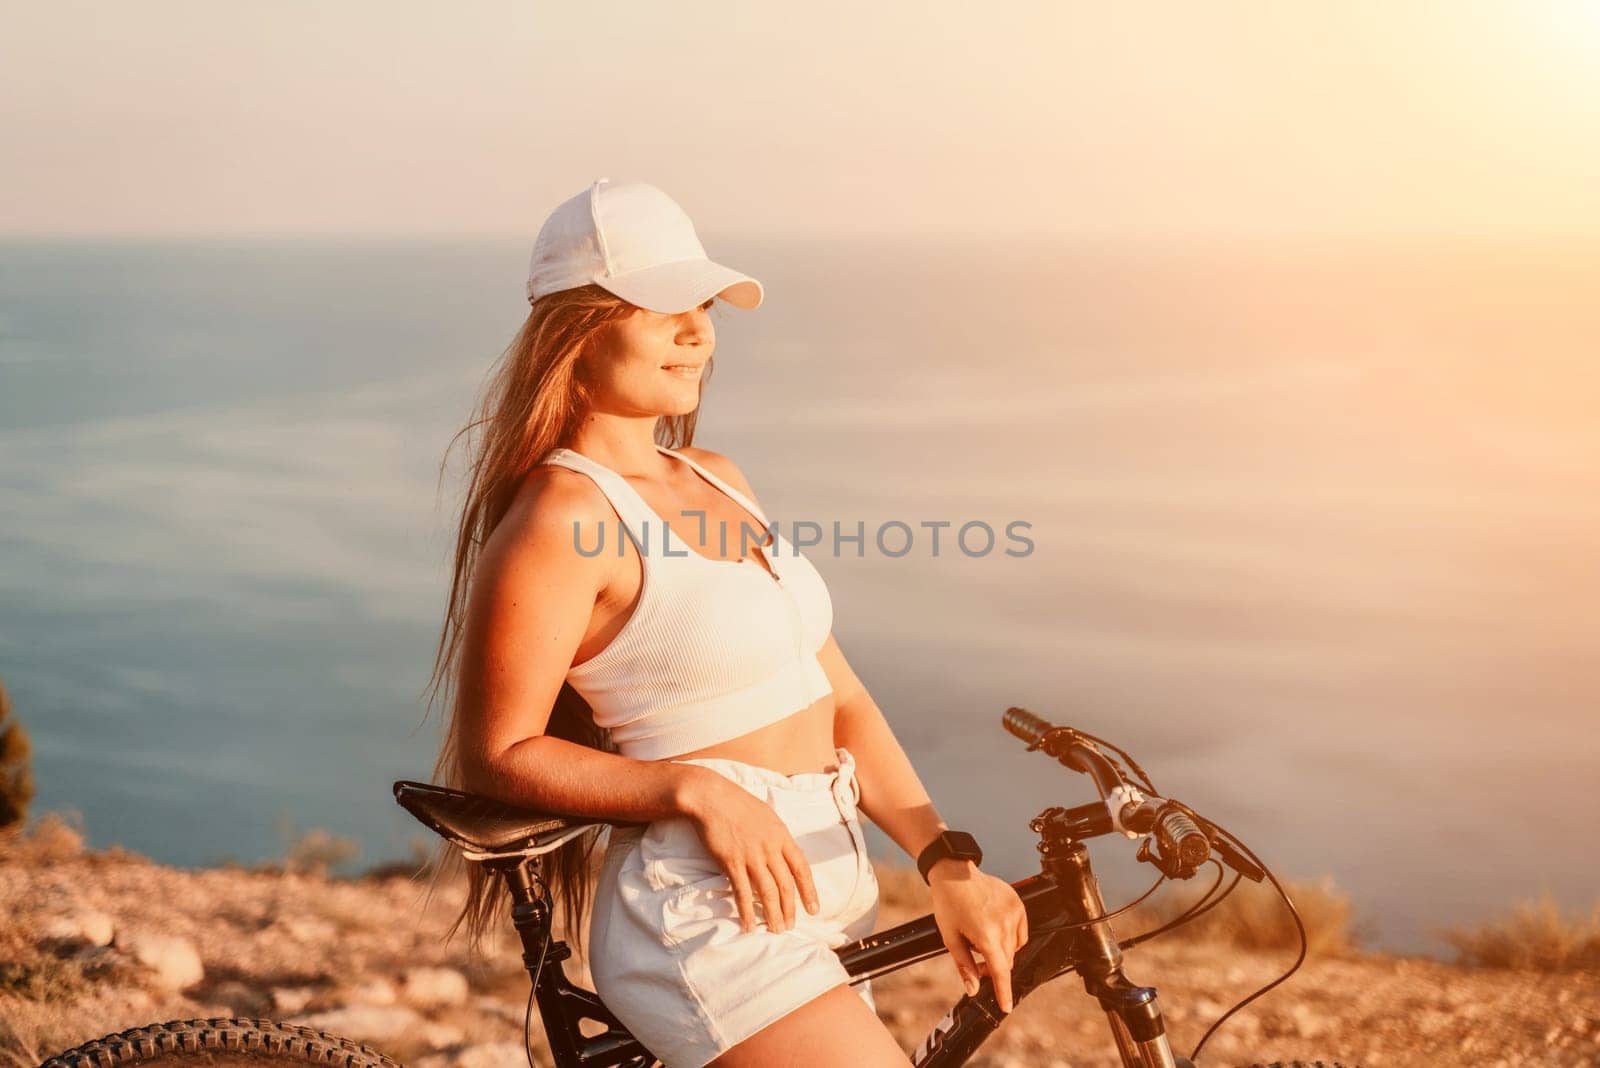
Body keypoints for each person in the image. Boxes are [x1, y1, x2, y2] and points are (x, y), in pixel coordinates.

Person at [424, 178, 1028, 1068]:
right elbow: (499, 753)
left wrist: (945, 863)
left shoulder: (716, 479)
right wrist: (695, 789)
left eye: (703, 303)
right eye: (664, 304)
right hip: (701, 914)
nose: (699, 330)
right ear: (576, 330)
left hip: (810, 892)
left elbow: (837, 693)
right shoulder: (561, 516)